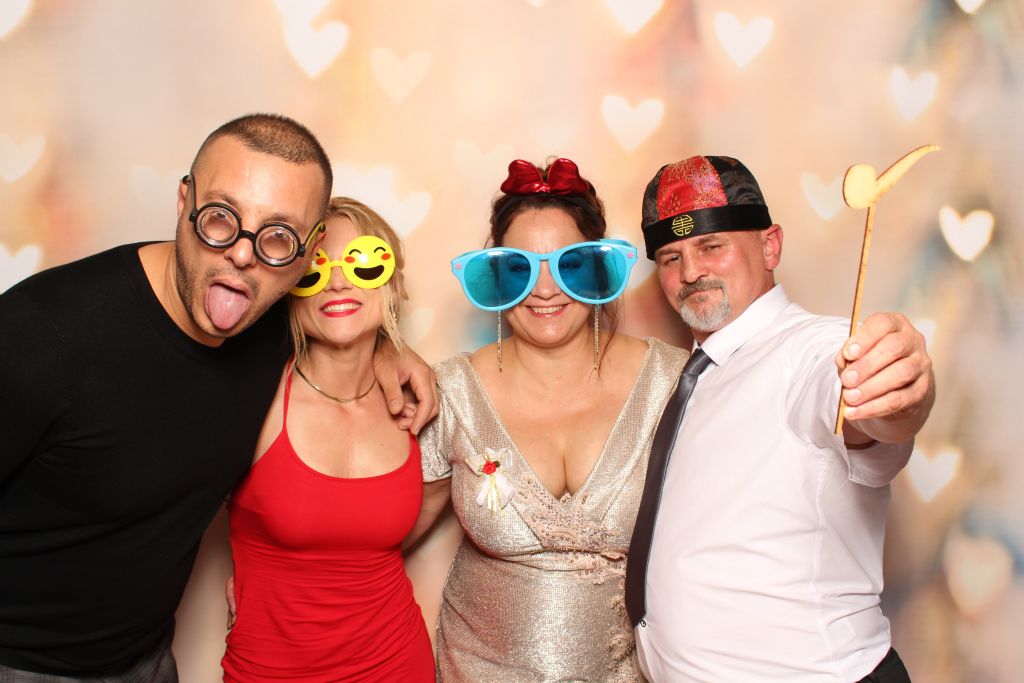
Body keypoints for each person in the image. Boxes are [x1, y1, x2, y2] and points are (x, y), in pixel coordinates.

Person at [0, 114, 436, 681]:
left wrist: (392, 351)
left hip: (150, 660)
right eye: (221, 218)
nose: (243, 254)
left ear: (304, 254)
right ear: (184, 202)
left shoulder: (264, 326)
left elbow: (342, 324)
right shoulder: (42, 331)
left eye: (277, 236)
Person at [627, 155, 935, 682]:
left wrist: (897, 394)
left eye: (711, 246)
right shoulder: (699, 371)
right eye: (671, 257)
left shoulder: (811, 350)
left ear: (770, 246)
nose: (691, 273)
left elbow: (862, 408)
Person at [416, 158, 689, 682]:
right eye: (520, 267)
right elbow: (383, 531)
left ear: (599, 269)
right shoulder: (449, 392)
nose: (545, 289)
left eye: (570, 264)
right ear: (496, 275)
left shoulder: (673, 382)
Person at [221, 197, 434, 682]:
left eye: (363, 263)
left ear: (391, 284)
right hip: (270, 673)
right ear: (288, 291)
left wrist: (394, 350)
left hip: (398, 664)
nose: (338, 281)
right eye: (315, 270)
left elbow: (439, 497)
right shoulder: (253, 399)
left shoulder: (417, 401)